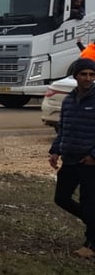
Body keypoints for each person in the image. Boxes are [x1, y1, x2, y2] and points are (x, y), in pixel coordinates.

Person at [49, 57, 95, 259]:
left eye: (92, 74)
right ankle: (93, 222)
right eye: (83, 74)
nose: (88, 78)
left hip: (89, 162)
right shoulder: (68, 100)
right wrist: (55, 150)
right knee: (61, 198)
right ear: (76, 76)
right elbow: (63, 129)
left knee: (89, 203)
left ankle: (91, 245)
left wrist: (94, 156)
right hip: (69, 158)